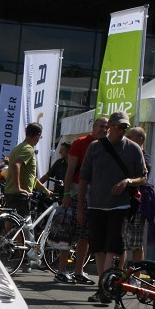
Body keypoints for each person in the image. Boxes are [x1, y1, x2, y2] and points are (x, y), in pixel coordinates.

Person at [77, 111, 147, 303]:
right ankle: (104, 285)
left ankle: (106, 287)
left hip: (120, 206)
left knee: (113, 247)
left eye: (124, 127)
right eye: (118, 126)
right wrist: (80, 207)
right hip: (96, 204)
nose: (121, 130)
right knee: (98, 248)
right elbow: (84, 178)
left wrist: (128, 181)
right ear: (110, 127)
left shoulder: (133, 149)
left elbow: (143, 177)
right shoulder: (95, 147)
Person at [54, 117, 109, 285]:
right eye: (101, 126)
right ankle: (61, 270)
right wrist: (66, 193)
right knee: (69, 232)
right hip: (77, 190)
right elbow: (70, 170)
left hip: (95, 194)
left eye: (106, 127)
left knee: (85, 235)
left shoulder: (108, 145)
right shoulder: (80, 143)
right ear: (93, 127)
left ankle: (78, 271)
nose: (104, 129)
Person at [0, 123, 52, 268]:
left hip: (10, 192)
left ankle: (16, 251)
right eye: (39, 137)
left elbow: (31, 177)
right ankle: (34, 257)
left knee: (16, 225)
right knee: (28, 226)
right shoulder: (28, 149)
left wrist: (45, 191)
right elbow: (16, 166)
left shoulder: (17, 148)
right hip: (19, 194)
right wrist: (19, 188)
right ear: (37, 136)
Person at [121, 126, 150, 265]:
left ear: (140, 139)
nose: (126, 138)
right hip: (124, 202)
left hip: (136, 204)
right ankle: (122, 273)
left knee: (137, 242)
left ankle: (136, 276)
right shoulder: (127, 153)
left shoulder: (144, 157)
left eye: (130, 136)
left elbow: (144, 178)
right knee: (123, 241)